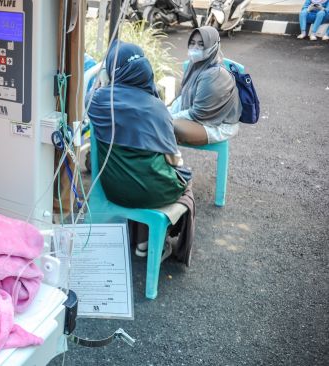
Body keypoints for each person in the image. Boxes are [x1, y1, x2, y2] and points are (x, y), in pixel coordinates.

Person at [86, 40, 195, 263]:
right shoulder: (157, 109)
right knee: (186, 182)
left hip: (112, 189)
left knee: (135, 171)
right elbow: (173, 159)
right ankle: (151, 242)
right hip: (152, 192)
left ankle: (138, 237)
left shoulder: (96, 101)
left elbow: (95, 94)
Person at [170, 26, 242, 146]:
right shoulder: (194, 66)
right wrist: (166, 113)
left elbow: (198, 113)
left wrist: (169, 117)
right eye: (192, 43)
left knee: (164, 125)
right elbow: (183, 96)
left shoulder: (215, 74)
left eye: (201, 44)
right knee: (154, 118)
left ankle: (169, 162)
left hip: (218, 126)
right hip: (198, 117)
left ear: (213, 46)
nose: (195, 48)